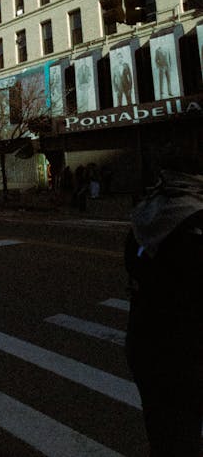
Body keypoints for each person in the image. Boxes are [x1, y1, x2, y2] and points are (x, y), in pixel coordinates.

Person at [124, 158, 203, 456]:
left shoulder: (147, 214)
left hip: (146, 344)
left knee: (166, 434)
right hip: (183, 353)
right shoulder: (195, 223)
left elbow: (134, 266)